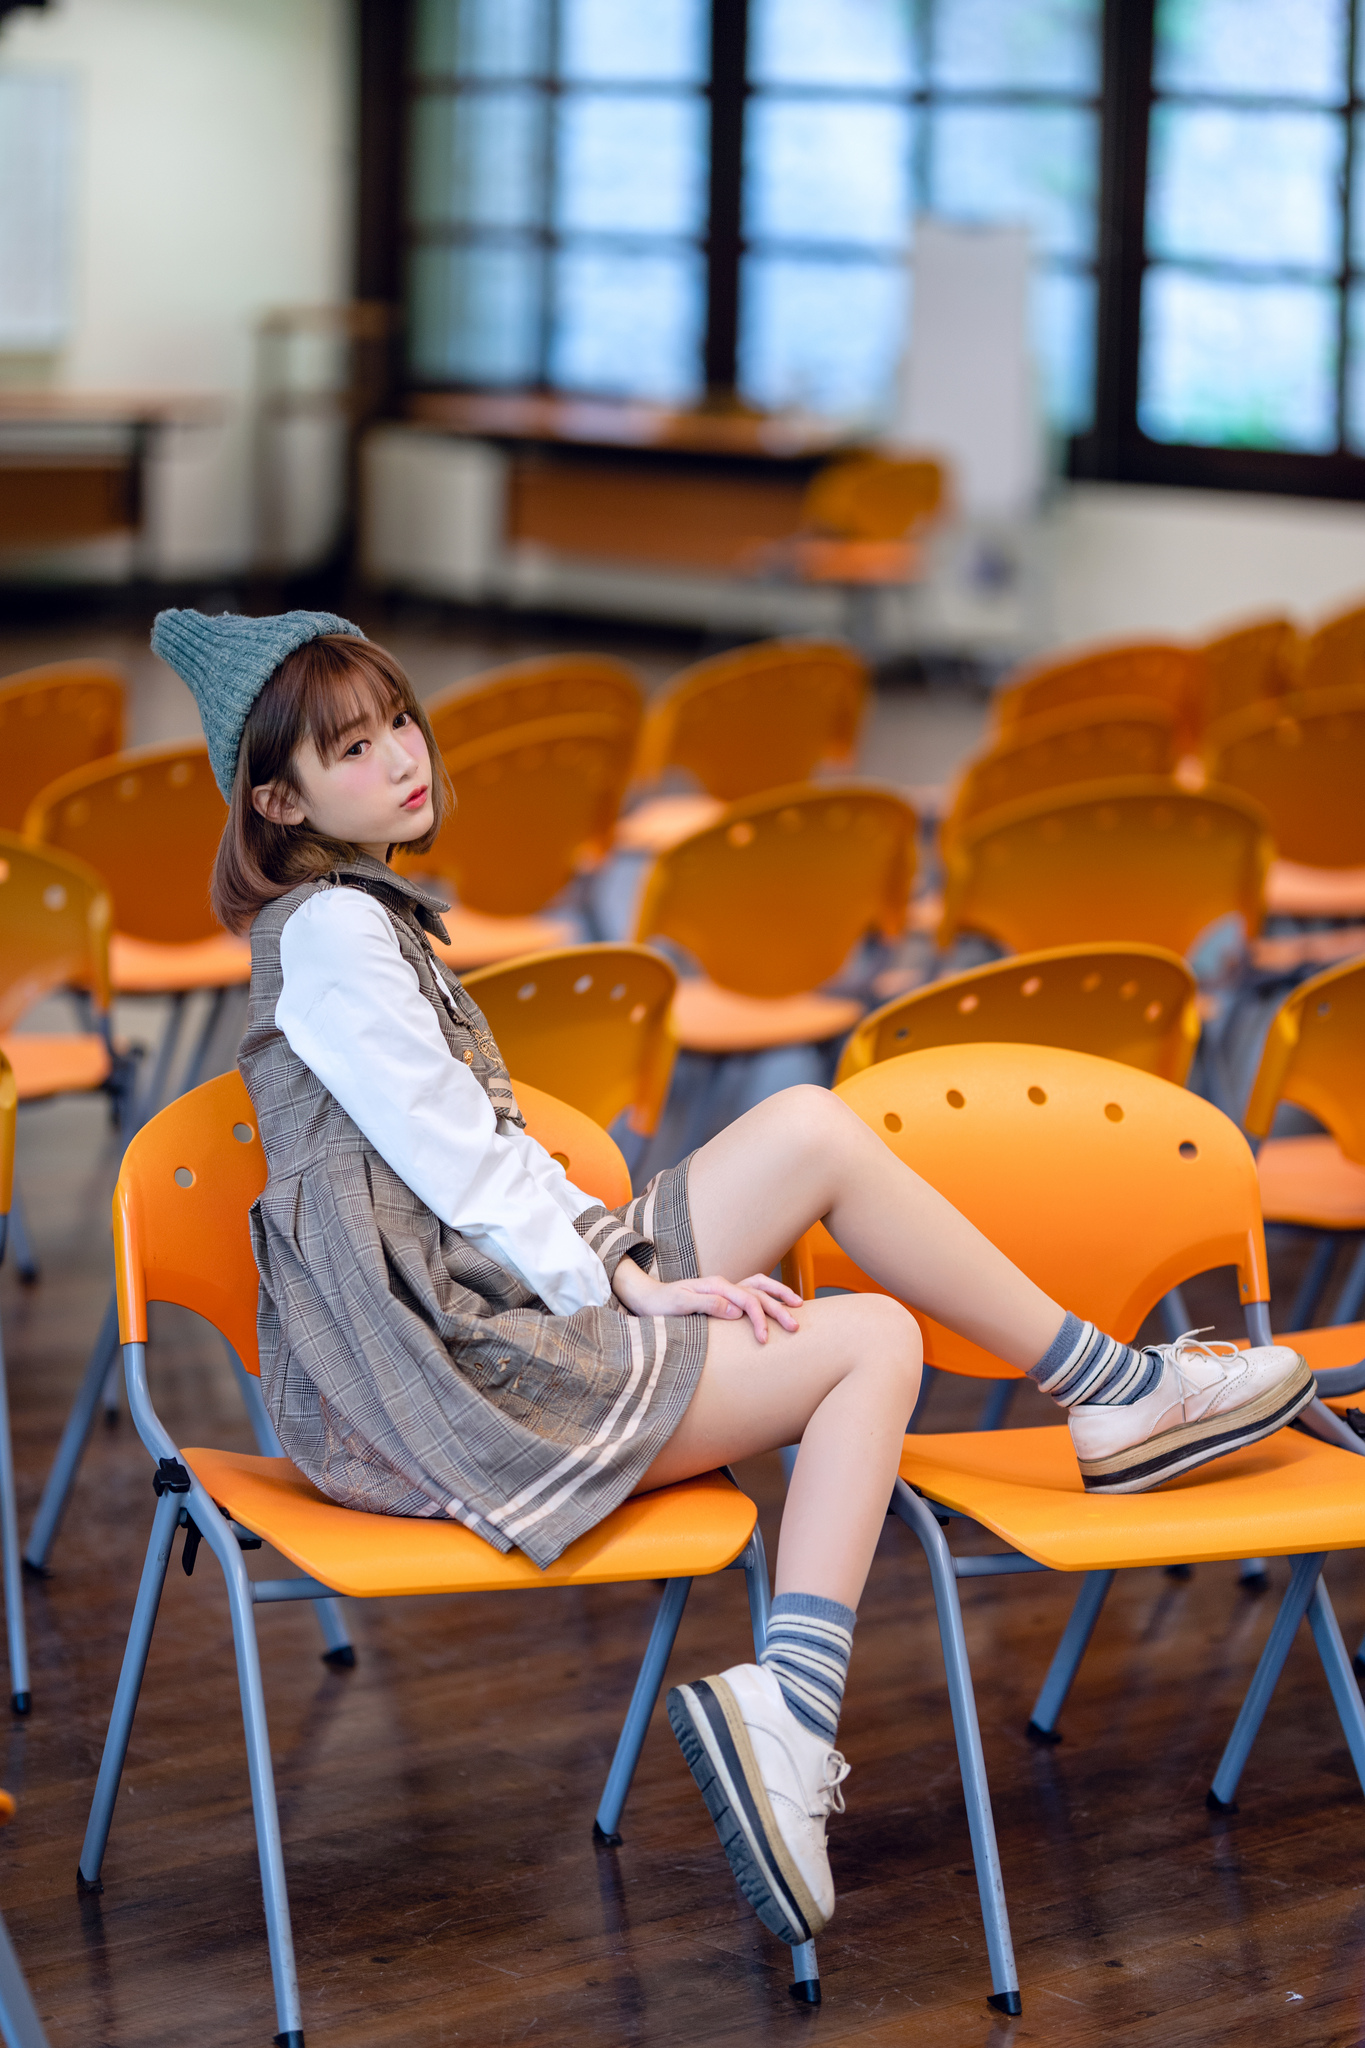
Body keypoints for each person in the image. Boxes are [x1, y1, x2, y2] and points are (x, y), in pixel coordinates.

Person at [153, 607, 1313, 1957]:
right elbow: (458, 1159)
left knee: (815, 1129)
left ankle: (1108, 1393)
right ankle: (797, 1706)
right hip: (436, 1369)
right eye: (352, 749)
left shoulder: (359, 917)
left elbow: (470, 1166)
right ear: (279, 801)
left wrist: (620, 1261)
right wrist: (629, 1276)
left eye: (398, 720)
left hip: (479, 1296)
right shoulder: (335, 937)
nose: (402, 756)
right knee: (871, 1339)